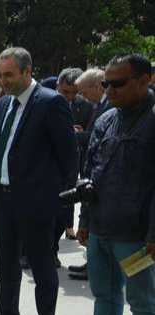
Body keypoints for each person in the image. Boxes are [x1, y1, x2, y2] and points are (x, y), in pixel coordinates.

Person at [59, 54, 155, 315]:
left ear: (146, 80)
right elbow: (92, 172)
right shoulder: (106, 118)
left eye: (117, 83)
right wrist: (85, 219)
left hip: (137, 236)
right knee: (105, 293)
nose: (108, 89)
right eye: (106, 83)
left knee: (143, 302)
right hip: (101, 227)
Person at [0, 47, 77, 315]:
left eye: (9, 75)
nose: (3, 81)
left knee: (42, 269)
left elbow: (69, 158)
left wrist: (57, 203)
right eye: (0, 75)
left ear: (27, 71)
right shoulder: (5, 103)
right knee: (7, 265)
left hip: (37, 205)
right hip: (4, 200)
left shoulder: (50, 102)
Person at [68, 67, 110, 280]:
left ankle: (95, 266)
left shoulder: (108, 107)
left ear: (96, 86)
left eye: (84, 92)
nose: (83, 97)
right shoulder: (100, 105)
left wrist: (77, 136)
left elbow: (96, 138)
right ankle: (92, 263)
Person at [56, 67, 95, 244]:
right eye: (65, 92)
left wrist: (79, 133)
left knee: (74, 190)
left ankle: (69, 225)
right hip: (53, 159)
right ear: (58, 85)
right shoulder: (46, 102)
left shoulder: (85, 104)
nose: (70, 96)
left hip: (78, 155)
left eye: (74, 92)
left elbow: (91, 132)